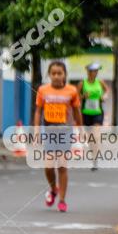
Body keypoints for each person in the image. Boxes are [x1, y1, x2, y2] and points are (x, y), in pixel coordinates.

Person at [34, 61, 83, 213]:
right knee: (48, 166)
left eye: (59, 73)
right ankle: (53, 189)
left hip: (65, 131)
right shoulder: (43, 90)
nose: (56, 76)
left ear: (64, 75)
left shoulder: (72, 91)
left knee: (62, 165)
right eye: (53, 73)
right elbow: (38, 111)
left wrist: (80, 129)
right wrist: (36, 130)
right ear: (49, 75)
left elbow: (76, 112)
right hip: (49, 131)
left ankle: (62, 199)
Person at [78, 62, 109, 171]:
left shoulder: (100, 82)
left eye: (97, 71)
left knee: (95, 136)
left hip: (98, 112)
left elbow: (107, 91)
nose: (95, 73)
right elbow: (76, 98)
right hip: (86, 113)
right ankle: (94, 158)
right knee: (90, 139)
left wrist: (104, 96)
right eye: (93, 71)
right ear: (88, 72)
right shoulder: (82, 83)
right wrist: (83, 96)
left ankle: (95, 160)